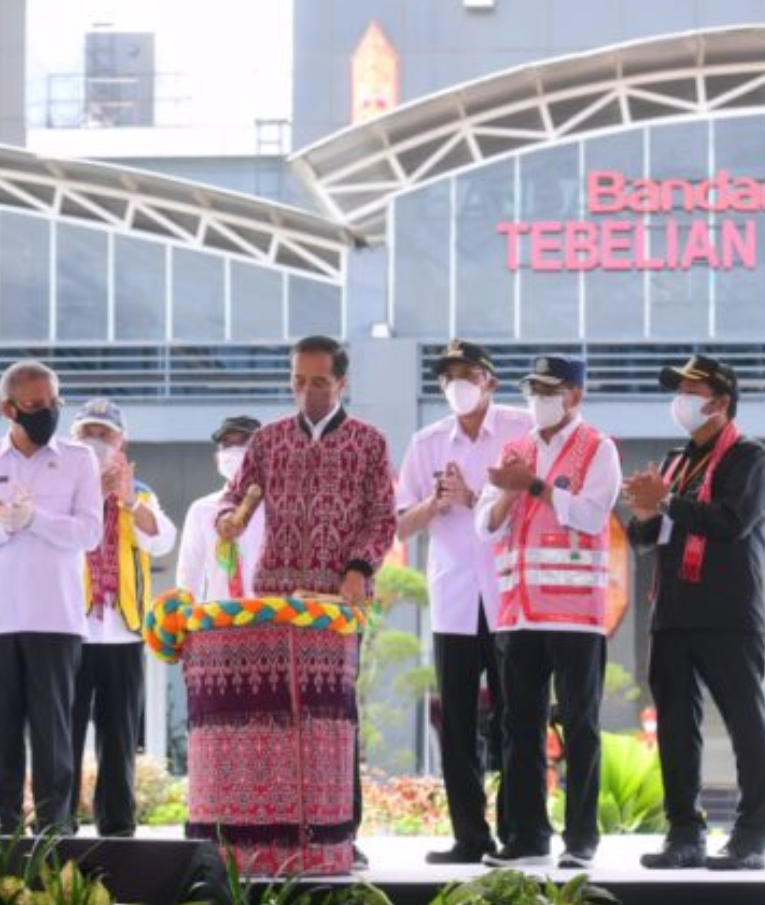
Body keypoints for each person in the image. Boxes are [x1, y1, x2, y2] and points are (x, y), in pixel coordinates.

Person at [218, 335, 396, 870]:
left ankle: (341, 834)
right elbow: (236, 498)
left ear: (342, 382)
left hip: (335, 603)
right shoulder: (268, 441)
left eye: (319, 381)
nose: (308, 392)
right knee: (275, 718)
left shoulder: (369, 442)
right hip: (272, 599)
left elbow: (382, 517)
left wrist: (359, 568)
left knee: (334, 719)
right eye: (299, 381)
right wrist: (226, 519)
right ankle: (276, 835)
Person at [622, 354, 765, 871]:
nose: (681, 400)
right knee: (674, 727)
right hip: (672, 613)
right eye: (679, 390)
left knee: (744, 724)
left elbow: (730, 521)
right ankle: (684, 833)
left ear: (721, 402)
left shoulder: (749, 458)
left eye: (692, 390)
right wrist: (645, 512)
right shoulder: (675, 461)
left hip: (729, 613)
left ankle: (752, 835)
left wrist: (666, 503)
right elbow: (643, 538)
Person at [474, 354, 621, 870]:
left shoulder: (597, 449)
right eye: (532, 389)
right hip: (519, 614)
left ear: (574, 396)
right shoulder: (513, 449)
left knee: (579, 725)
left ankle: (581, 839)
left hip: (575, 615)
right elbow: (483, 525)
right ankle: (529, 836)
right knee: (520, 726)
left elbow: (592, 514)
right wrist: (509, 496)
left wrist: (534, 487)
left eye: (549, 389)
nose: (538, 399)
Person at [0, 360, 102, 835]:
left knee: (54, 732)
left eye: (54, 403)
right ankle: (7, 829)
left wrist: (36, 520)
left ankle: (55, 831)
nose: (47, 413)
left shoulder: (79, 459)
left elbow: (90, 532)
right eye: (35, 406)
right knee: (2, 734)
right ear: (8, 408)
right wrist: (0, 527)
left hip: (56, 616)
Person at [396, 339, 531, 864]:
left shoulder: (521, 430)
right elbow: (398, 522)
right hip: (453, 597)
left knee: (515, 719)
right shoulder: (428, 442)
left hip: (509, 597)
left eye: (468, 374)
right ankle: (470, 838)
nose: (458, 385)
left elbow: (536, 505)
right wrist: (437, 502)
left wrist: (475, 499)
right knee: (456, 723)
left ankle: (519, 834)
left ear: (490, 381)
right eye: (448, 377)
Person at [68, 398, 178, 837]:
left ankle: (115, 822)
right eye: (87, 434)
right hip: (70, 630)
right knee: (64, 733)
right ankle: (57, 818)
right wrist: (92, 492)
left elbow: (160, 541)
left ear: (121, 441)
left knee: (118, 736)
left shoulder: (142, 492)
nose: (96, 442)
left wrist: (129, 500)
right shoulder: (62, 489)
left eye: (104, 434)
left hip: (123, 631)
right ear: (72, 441)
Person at [176, 415, 265, 601]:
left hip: (272, 620)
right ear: (217, 459)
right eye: (227, 445)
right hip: (219, 620)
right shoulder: (201, 510)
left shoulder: (280, 506)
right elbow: (189, 577)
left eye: (243, 443)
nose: (234, 451)